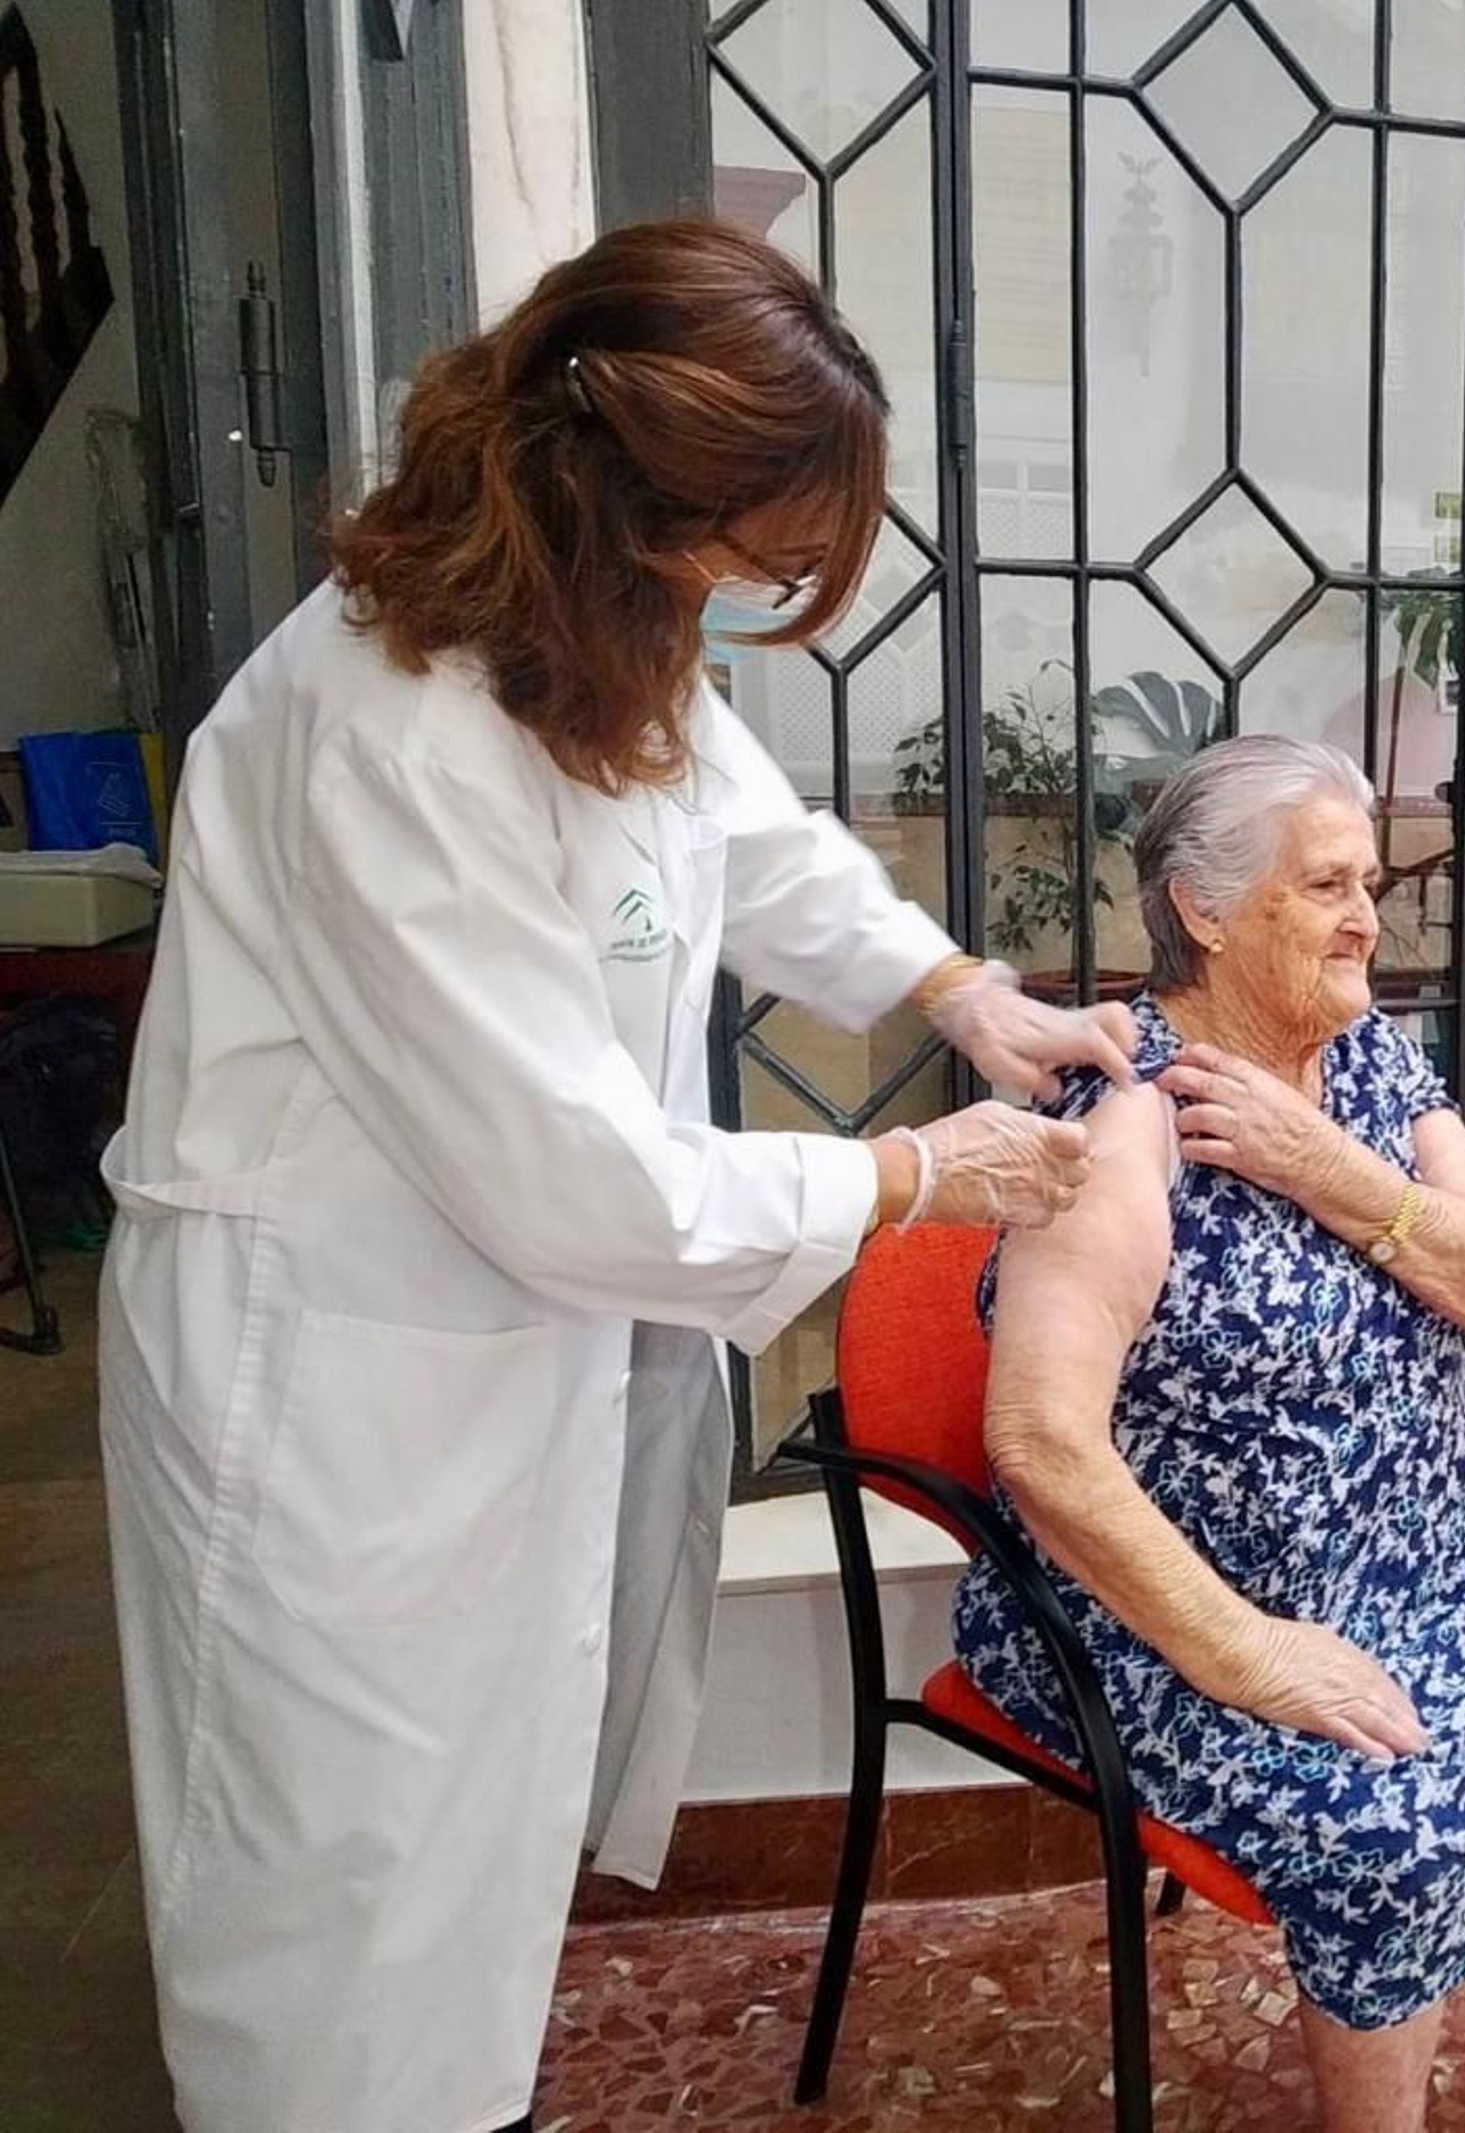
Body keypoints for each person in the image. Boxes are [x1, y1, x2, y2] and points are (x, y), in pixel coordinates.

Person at [97, 218, 1137, 2133]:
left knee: (463, 1870)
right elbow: (583, 1184)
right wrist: (913, 1174)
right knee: (333, 1904)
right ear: (613, 498)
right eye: (750, 560)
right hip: (336, 1384)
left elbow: (746, 842)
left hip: (497, 1356)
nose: (753, 601)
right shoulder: (388, 731)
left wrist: (955, 987)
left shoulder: (598, 641)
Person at [952, 734, 1465, 2133]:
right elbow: (1040, 1441)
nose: (1369, 913)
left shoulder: (1368, 1066)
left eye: (1367, 880)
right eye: (1326, 885)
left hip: (1425, 1567)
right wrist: (1251, 1649)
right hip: (1178, 1615)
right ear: (1203, 907)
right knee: (1403, 1834)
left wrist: (1327, 1169)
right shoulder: (1122, 1116)